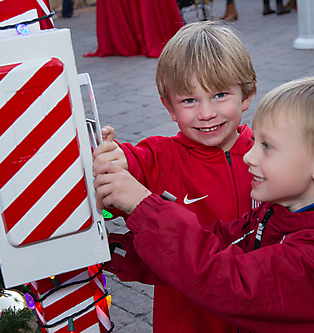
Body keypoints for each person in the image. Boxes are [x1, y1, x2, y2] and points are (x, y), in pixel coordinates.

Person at [93, 77, 314, 332]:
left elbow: (226, 279)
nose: (250, 155)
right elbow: (218, 242)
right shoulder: (282, 213)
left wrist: (143, 206)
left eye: (267, 146)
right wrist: (119, 249)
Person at [93, 20, 257, 333]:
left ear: (247, 94)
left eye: (220, 94)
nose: (206, 113)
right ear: (168, 106)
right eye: (189, 100)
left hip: (259, 313)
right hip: (189, 321)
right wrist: (110, 160)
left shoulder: (268, 155)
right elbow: (124, 174)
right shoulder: (158, 157)